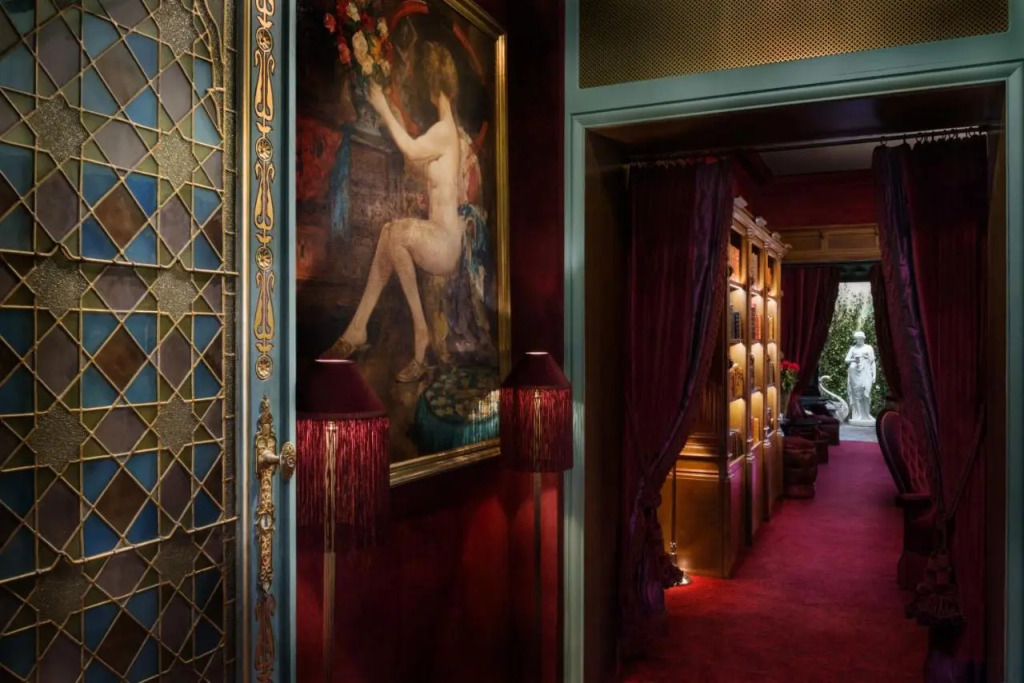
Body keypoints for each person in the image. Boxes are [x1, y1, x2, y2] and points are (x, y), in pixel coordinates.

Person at [320, 42, 463, 383]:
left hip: (446, 244)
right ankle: (357, 329)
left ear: (430, 85)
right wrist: (391, 115)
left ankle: (419, 331)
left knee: (395, 232)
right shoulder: (447, 133)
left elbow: (411, 150)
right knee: (388, 233)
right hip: (441, 237)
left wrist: (383, 107)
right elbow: (418, 160)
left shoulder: (444, 132)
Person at [845, 330, 876, 424]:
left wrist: (874, 374)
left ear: (863, 338)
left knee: (866, 393)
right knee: (856, 395)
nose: (858, 340)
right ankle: (858, 415)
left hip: (866, 371)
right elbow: (846, 360)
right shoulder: (853, 348)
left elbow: (872, 362)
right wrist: (854, 360)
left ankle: (867, 414)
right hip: (854, 371)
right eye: (856, 339)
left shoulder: (869, 348)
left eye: (860, 338)